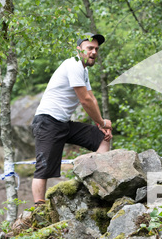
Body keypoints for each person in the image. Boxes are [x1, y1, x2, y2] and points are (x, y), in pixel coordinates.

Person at [31, 33, 113, 205]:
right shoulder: (73, 64)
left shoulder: (83, 70)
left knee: (102, 138)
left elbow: (92, 98)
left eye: (96, 49)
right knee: (43, 167)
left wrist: (100, 125)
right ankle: (38, 210)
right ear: (79, 49)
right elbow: (85, 100)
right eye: (89, 48)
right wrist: (103, 122)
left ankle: (98, 186)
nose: (94, 52)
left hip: (63, 123)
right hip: (47, 121)